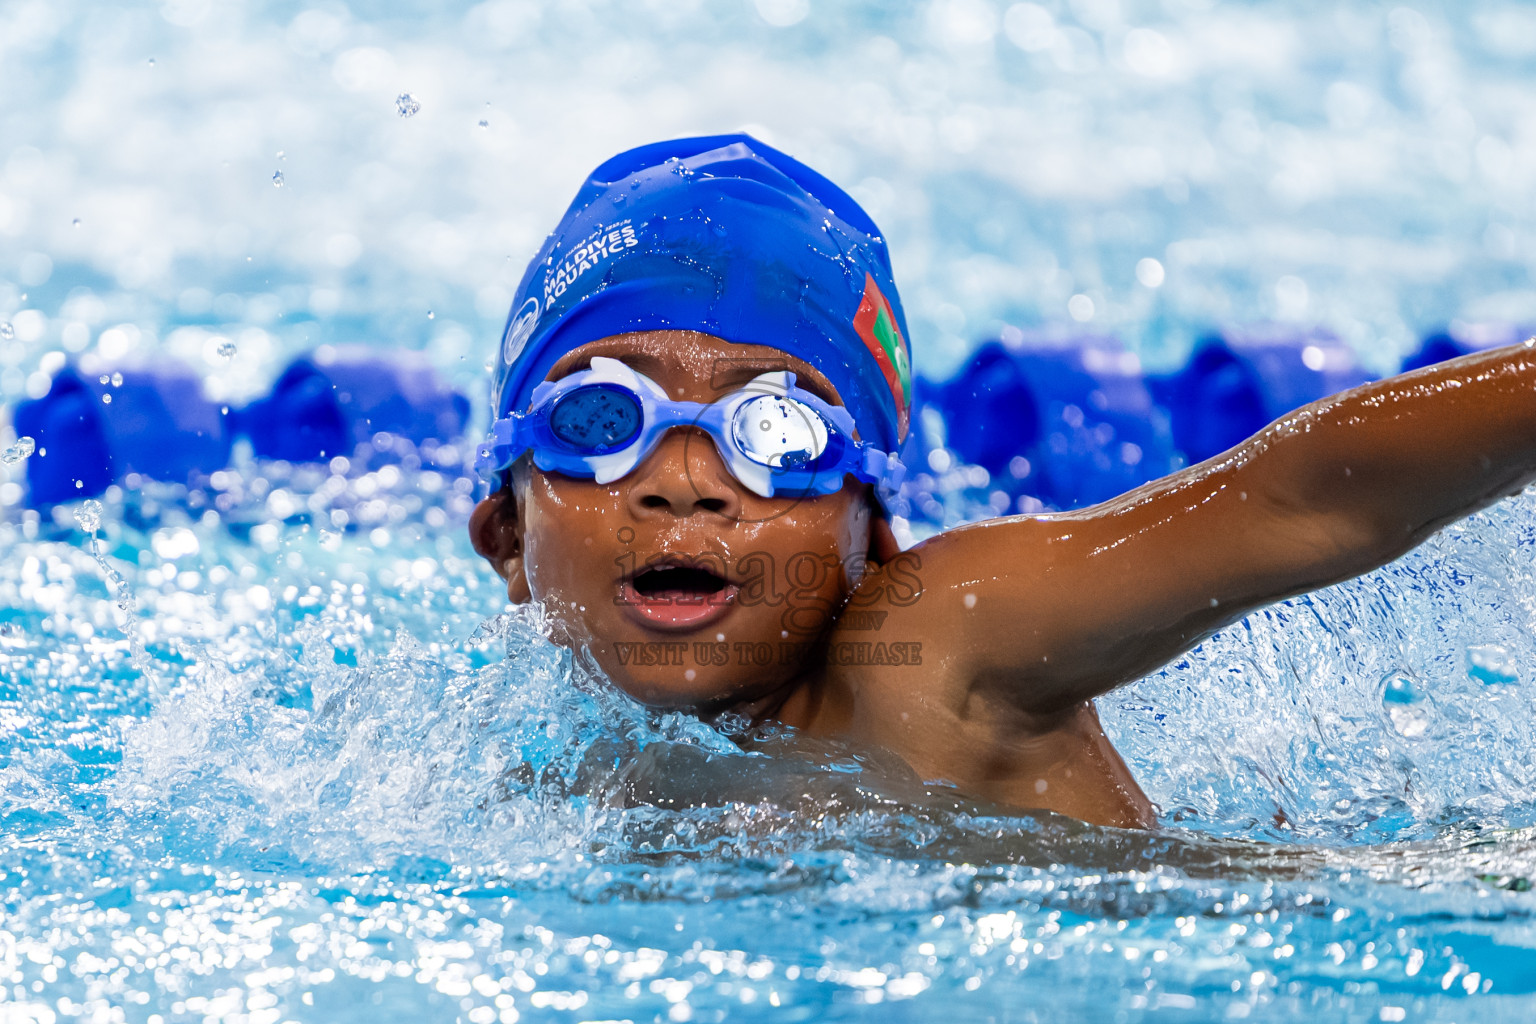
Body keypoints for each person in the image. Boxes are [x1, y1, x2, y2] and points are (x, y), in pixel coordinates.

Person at [469, 134, 1536, 829]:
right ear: (508, 539)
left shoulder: (933, 652)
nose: (685, 483)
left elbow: (1297, 496)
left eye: (777, 431)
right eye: (600, 420)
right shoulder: (546, 778)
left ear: (873, 533)